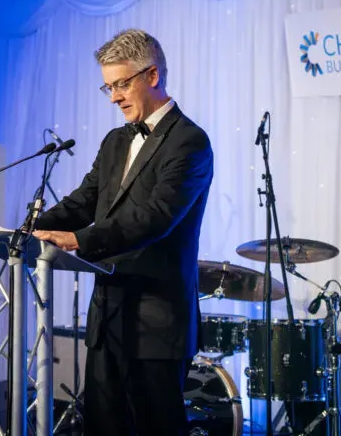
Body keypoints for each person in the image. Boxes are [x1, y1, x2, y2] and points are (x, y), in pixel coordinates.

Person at [32, 28, 214, 436]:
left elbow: (156, 216)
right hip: (107, 318)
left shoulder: (190, 141)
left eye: (121, 84)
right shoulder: (115, 141)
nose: (113, 97)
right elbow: (84, 200)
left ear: (152, 76)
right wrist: (27, 230)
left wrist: (80, 240)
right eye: (108, 87)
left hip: (156, 323)